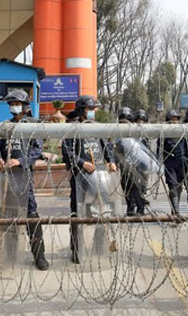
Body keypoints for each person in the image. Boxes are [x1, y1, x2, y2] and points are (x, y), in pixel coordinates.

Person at [0, 89, 48, 270]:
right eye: (12, 104)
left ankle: (39, 255)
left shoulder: (32, 125)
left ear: (24, 106)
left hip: (24, 177)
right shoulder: (6, 126)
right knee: (9, 215)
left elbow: (37, 150)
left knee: (31, 214)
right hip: (7, 179)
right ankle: (10, 254)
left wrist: (21, 161)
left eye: (17, 104)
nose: (14, 107)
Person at [61, 95, 118, 264]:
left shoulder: (97, 128)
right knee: (78, 213)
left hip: (99, 178)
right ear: (81, 111)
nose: (93, 112)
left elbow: (107, 147)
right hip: (80, 179)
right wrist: (82, 163)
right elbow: (66, 152)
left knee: (102, 211)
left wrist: (111, 161)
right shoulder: (72, 129)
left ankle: (99, 247)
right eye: (90, 109)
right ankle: (76, 249)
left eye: (94, 109)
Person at [161, 109, 186, 214]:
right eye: (172, 119)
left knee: (179, 187)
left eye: (176, 119)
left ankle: (175, 209)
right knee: (172, 186)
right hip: (169, 163)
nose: (174, 122)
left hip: (181, 162)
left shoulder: (182, 131)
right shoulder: (164, 132)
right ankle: (176, 212)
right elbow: (159, 148)